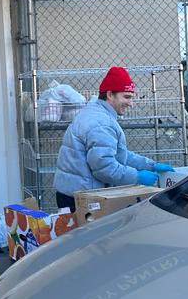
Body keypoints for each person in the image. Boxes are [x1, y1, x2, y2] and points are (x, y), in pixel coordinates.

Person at [53, 66, 173, 211]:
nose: (131, 103)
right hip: (81, 201)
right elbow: (105, 168)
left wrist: (149, 165)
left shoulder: (96, 114)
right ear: (110, 95)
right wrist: (136, 176)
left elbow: (117, 154)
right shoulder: (101, 123)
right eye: (126, 97)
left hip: (73, 194)